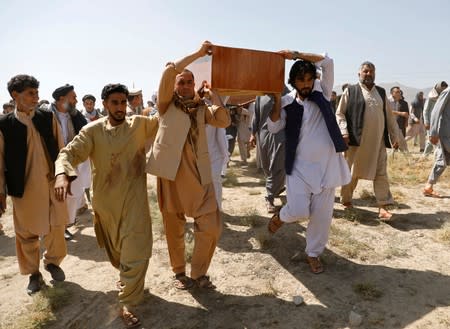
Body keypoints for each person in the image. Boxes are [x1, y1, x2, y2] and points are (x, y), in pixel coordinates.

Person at [54, 83, 159, 328]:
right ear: (105, 104)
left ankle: (127, 302)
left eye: (124, 102)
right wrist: (62, 174)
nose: (121, 107)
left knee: (137, 249)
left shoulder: (140, 125)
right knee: (118, 254)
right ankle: (127, 278)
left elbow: (164, 114)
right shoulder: (92, 131)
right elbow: (68, 153)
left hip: (135, 202)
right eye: (115, 103)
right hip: (106, 206)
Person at [146, 41, 230, 290]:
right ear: (174, 85)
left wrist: (212, 95)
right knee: (175, 228)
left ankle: (199, 273)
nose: (184, 86)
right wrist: (198, 54)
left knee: (212, 227)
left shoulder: (202, 108)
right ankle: (180, 271)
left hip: (201, 176)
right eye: (180, 82)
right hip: (170, 175)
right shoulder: (165, 104)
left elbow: (224, 121)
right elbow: (170, 70)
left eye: (188, 82)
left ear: (195, 85)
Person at [267, 50, 350, 274]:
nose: (305, 84)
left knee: (322, 217)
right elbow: (274, 127)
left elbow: (328, 62)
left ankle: (313, 254)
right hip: (299, 168)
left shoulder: (322, 92)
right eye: (301, 80)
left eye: (309, 79)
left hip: (327, 166)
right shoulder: (285, 102)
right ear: (293, 82)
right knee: (299, 211)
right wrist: (275, 100)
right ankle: (282, 216)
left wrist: (295, 54)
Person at [0, 74, 68, 295]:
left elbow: (62, 150)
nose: (35, 97)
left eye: (37, 93)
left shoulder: (47, 117)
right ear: (15, 95)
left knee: (56, 226)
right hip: (24, 189)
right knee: (26, 233)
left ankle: (52, 262)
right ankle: (33, 274)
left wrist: (63, 176)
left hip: (52, 184)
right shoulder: (4, 125)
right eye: (30, 93)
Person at [336, 61, 400, 220]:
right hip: (356, 143)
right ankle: (346, 200)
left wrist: (394, 137)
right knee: (351, 173)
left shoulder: (381, 92)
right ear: (359, 74)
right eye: (365, 71)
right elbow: (340, 113)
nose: (369, 74)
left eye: (371, 71)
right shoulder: (351, 91)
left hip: (377, 142)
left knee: (381, 174)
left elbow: (389, 117)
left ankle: (383, 205)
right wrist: (343, 131)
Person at [48, 84, 89, 240]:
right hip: (52, 162)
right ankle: (55, 228)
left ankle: (65, 225)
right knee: (55, 197)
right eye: (73, 97)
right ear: (61, 99)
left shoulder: (75, 115)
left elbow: (85, 131)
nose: (76, 100)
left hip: (72, 161)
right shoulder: (46, 114)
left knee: (73, 195)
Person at [250, 86, 290, 213]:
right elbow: (256, 115)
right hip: (263, 135)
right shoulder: (260, 95)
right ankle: (276, 187)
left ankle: (269, 197)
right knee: (267, 166)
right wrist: (253, 133)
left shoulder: (288, 94)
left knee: (277, 165)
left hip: (280, 135)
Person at [423, 85, 450, 197]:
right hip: (446, 132)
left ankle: (429, 186)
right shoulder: (448, 91)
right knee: (442, 159)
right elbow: (436, 111)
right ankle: (429, 186)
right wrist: (433, 133)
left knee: (442, 159)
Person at [423, 81, 448, 156]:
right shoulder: (431, 98)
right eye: (442, 88)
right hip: (432, 122)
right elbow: (426, 111)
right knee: (431, 140)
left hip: (442, 122)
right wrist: (426, 122)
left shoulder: (446, 96)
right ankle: (426, 156)